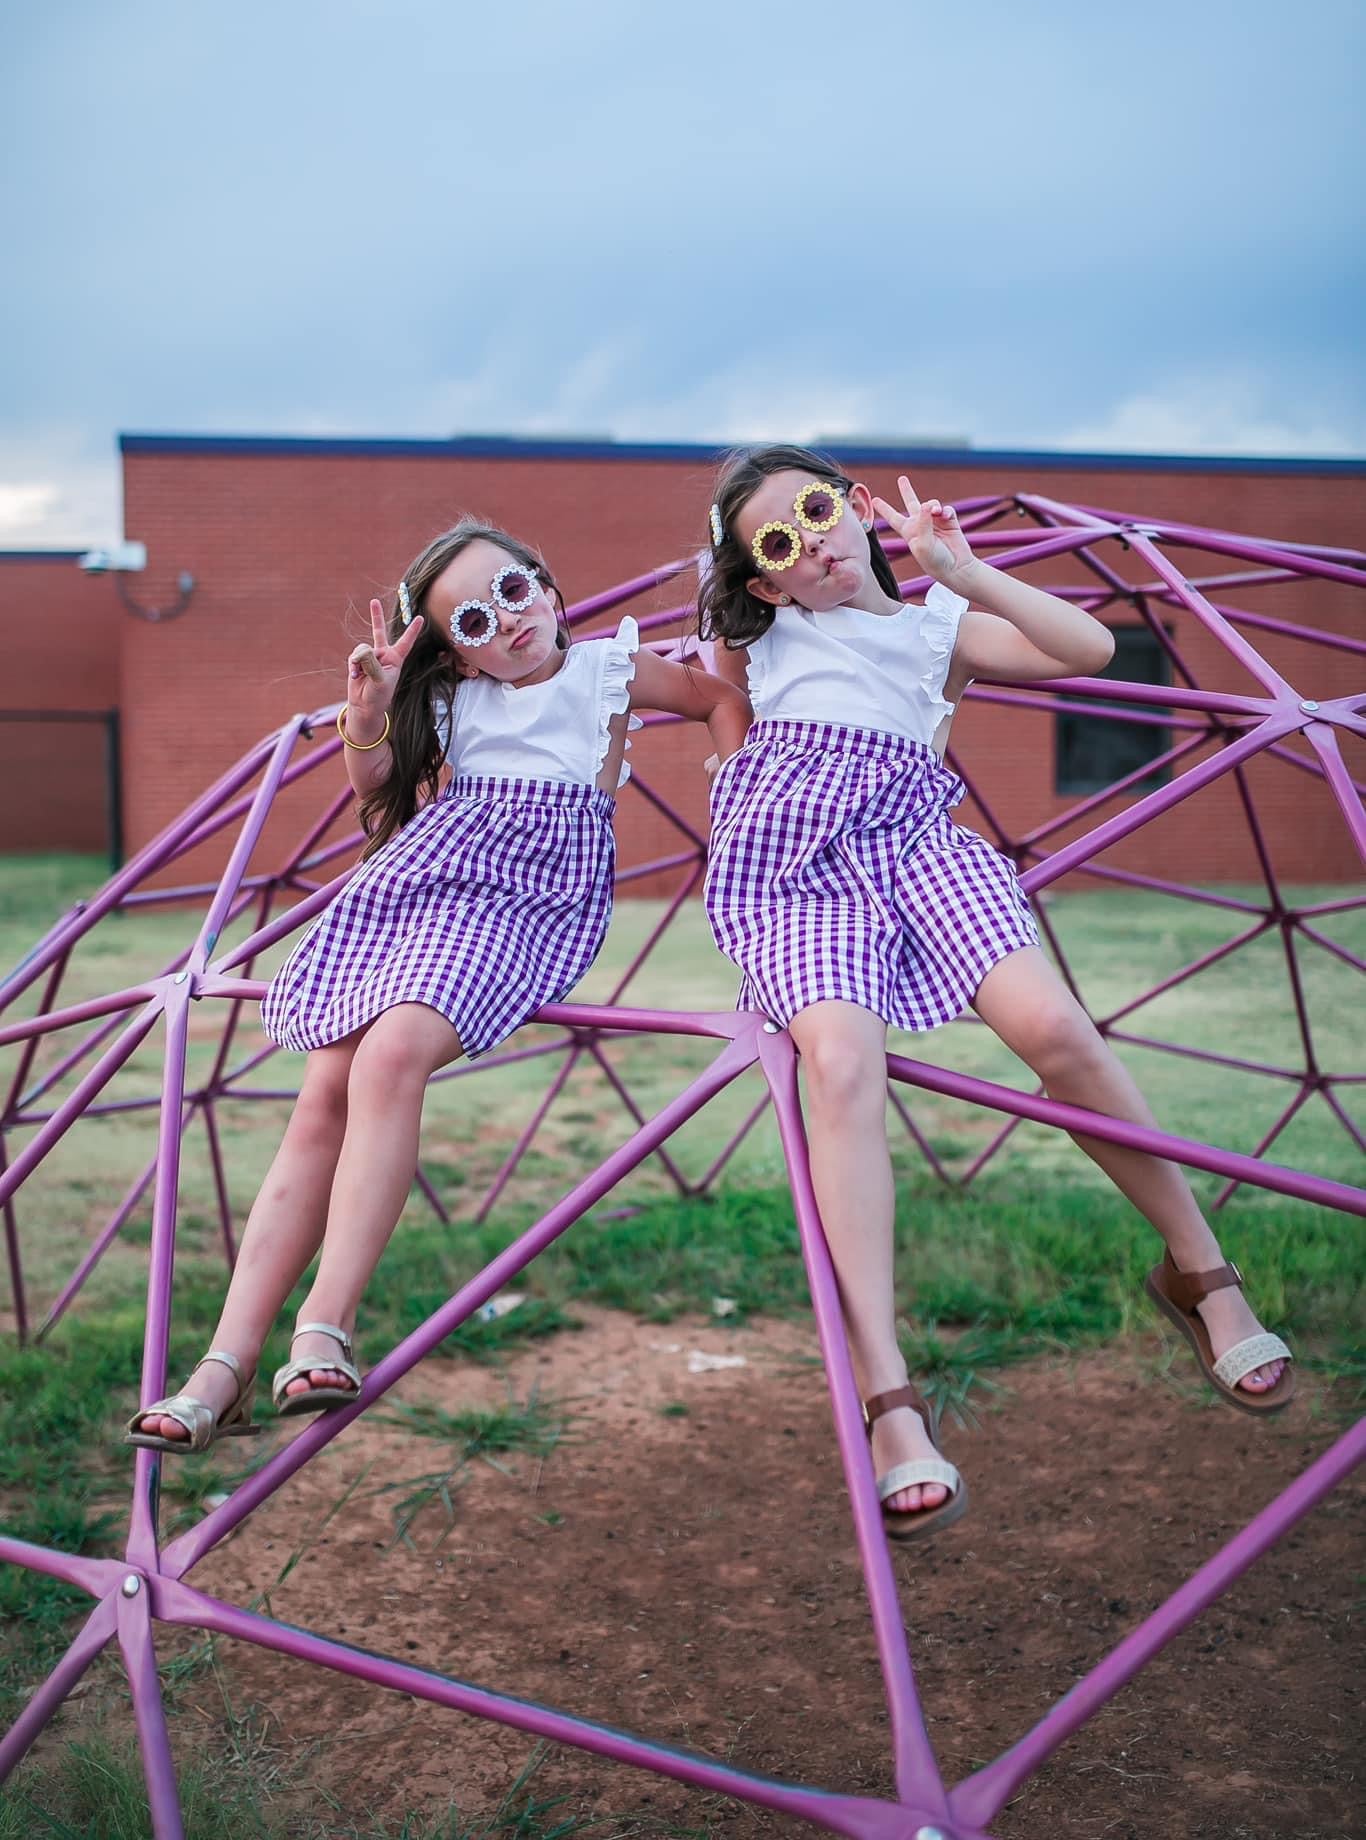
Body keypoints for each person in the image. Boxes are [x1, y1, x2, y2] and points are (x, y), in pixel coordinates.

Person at [698, 446, 1294, 1543]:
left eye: (818, 511)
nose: (811, 542)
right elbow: (695, 710)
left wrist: (958, 568)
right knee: (839, 1060)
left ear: (858, 507)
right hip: (798, 874)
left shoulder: (937, 628)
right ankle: (889, 1395)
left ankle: (1201, 1272)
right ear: (765, 579)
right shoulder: (757, 639)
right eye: (776, 544)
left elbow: (1085, 646)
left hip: (921, 848)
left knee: (1057, 1030)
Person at [129, 518, 751, 1453]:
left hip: (528, 900)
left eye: (511, 592)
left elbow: (713, 697)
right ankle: (225, 1365)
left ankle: (325, 1324)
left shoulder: (605, 674)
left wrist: (736, 778)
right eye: (470, 619)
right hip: (421, 889)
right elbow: (376, 785)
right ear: (451, 650)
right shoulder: (458, 701)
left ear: (544, 584)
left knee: (390, 1058)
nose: (504, 622)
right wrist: (370, 713)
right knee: (323, 1093)